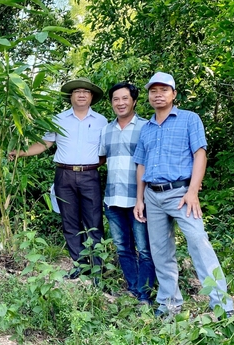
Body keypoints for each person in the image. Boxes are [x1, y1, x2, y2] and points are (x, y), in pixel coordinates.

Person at [133, 72, 234, 318]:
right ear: (148, 96)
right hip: (153, 197)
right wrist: (139, 198)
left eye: (164, 90)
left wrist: (192, 191)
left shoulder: (189, 119)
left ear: (174, 94)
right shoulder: (146, 128)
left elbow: (200, 154)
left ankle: (222, 306)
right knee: (160, 251)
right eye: (153, 91)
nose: (158, 95)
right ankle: (169, 305)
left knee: (199, 243)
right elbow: (141, 165)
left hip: (181, 193)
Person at [13, 79, 107, 279]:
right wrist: (20, 152)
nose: (81, 95)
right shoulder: (58, 119)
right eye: (77, 92)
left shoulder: (102, 121)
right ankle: (80, 266)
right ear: (70, 96)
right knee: (70, 222)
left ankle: (97, 270)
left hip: (90, 175)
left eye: (86, 92)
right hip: (63, 175)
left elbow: (105, 151)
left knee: (94, 222)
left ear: (91, 97)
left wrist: (89, 166)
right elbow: (45, 144)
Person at [99, 83, 155, 304]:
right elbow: (101, 159)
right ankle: (133, 289)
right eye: (115, 99)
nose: (120, 103)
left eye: (124, 98)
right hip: (113, 198)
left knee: (144, 249)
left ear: (133, 101)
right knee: (123, 248)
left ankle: (145, 294)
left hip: (139, 199)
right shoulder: (106, 130)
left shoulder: (146, 127)